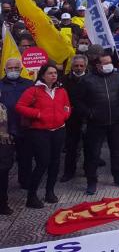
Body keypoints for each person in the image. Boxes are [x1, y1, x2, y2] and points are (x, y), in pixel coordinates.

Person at [15, 63, 70, 208]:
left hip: (58, 130)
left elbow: (67, 106)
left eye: (55, 73)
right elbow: (20, 106)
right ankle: (31, 196)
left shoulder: (61, 90)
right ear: (43, 75)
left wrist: (64, 115)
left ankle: (49, 192)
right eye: (50, 73)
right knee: (43, 162)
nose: (53, 75)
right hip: (40, 132)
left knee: (55, 162)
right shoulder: (34, 90)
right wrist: (37, 114)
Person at [75, 54, 119, 195]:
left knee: (116, 152)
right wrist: (90, 114)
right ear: (97, 65)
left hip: (115, 121)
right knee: (93, 154)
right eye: (105, 63)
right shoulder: (87, 80)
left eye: (110, 62)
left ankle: (118, 176)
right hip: (95, 123)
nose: (109, 65)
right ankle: (91, 181)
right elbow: (78, 101)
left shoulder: (118, 76)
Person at [0, 57, 33, 194]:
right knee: (5, 161)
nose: (13, 71)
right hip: (5, 130)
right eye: (10, 68)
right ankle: (3, 187)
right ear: (4, 70)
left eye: (16, 68)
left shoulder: (29, 84)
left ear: (21, 69)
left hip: (24, 126)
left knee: (25, 157)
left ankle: (25, 181)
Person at [61, 55, 89, 182]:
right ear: (72, 66)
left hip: (88, 118)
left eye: (81, 65)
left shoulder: (92, 79)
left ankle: (89, 170)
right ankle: (68, 172)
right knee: (71, 147)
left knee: (90, 147)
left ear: (85, 66)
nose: (78, 68)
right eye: (76, 65)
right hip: (71, 119)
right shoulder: (64, 80)